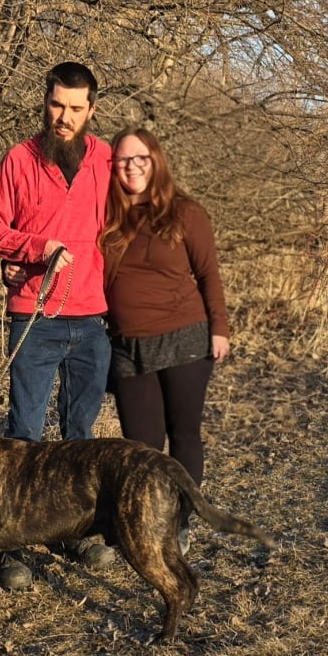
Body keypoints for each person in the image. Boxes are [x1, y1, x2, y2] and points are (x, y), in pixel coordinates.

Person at [0, 61, 116, 589]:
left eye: (76, 109)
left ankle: (72, 530)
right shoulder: (20, 158)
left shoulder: (107, 160)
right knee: (24, 438)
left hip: (93, 318)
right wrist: (34, 249)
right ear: (45, 101)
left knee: (80, 438)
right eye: (57, 105)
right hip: (34, 316)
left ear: (91, 110)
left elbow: (128, 229)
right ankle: (9, 545)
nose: (64, 117)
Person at [99, 127, 230, 553]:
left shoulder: (185, 213)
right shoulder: (106, 215)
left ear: (155, 161)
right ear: (112, 166)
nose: (132, 166)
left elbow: (208, 273)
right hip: (127, 346)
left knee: (183, 435)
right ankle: (146, 516)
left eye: (141, 158)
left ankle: (179, 521)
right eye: (122, 160)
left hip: (184, 340)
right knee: (141, 446)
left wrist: (220, 328)